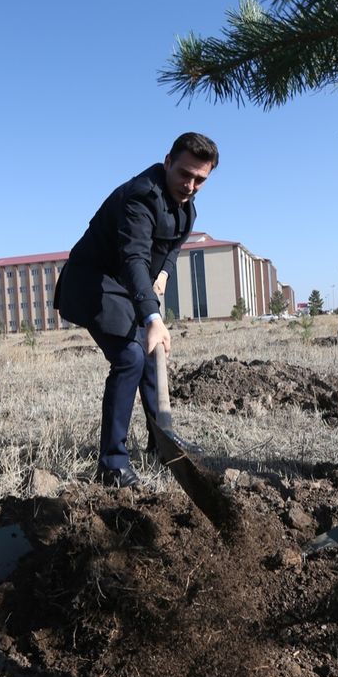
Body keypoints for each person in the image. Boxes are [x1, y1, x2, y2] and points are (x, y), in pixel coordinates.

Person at [53, 132, 217, 487]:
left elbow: (172, 247)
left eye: (200, 179)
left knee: (148, 356)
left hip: (129, 284)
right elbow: (133, 256)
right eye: (185, 174)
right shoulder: (141, 196)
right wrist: (152, 315)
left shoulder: (187, 208)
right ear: (168, 162)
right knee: (130, 357)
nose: (190, 185)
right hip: (94, 281)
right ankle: (112, 464)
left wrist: (164, 273)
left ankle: (162, 443)